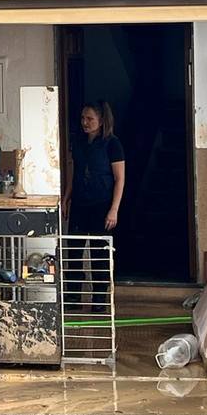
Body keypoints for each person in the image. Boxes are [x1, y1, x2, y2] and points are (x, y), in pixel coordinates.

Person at [62, 101, 126, 310]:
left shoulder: (112, 143)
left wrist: (114, 209)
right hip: (80, 203)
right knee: (74, 251)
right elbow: (74, 172)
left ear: (101, 121)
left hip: (102, 204)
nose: (85, 122)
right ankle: (74, 297)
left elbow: (119, 179)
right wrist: (66, 199)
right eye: (83, 118)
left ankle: (99, 300)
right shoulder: (79, 142)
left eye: (89, 118)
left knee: (100, 254)